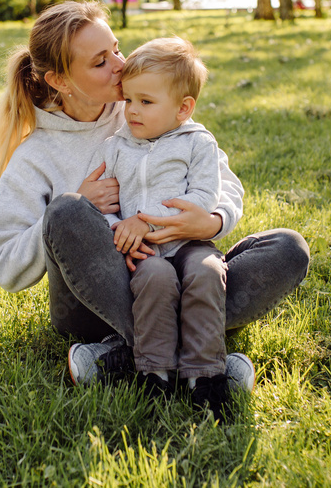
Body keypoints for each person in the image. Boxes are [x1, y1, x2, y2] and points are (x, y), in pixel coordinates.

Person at [0, 1, 309, 412]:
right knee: (66, 211)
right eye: (101, 61)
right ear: (60, 80)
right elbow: (2, 261)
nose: (120, 65)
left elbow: (221, 182)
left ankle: (125, 359)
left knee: (288, 248)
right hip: (97, 305)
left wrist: (207, 223)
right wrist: (78, 203)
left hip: (182, 270)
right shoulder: (37, 155)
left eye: (117, 49)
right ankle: (203, 362)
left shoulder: (143, 101)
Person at [86, 36, 247, 416]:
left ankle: (204, 376)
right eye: (128, 100)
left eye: (146, 102)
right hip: (144, 253)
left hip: (188, 243)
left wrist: (146, 220)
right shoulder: (116, 146)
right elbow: (106, 203)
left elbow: (206, 194)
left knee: (207, 273)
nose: (132, 111)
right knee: (155, 280)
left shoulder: (197, 142)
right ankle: (154, 372)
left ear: (183, 108)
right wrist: (120, 228)